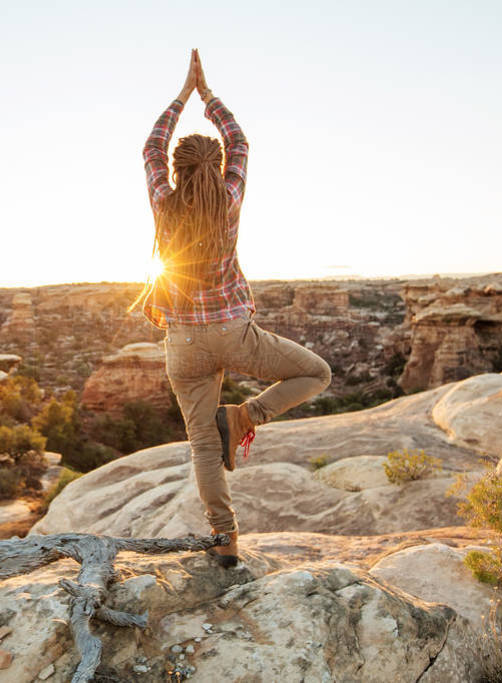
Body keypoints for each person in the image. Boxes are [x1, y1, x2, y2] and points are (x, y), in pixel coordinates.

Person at [131, 49, 331, 565]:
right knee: (317, 373)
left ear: (174, 170)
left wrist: (181, 94)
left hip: (184, 344)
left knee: (202, 446)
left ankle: (225, 540)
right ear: (219, 167)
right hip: (236, 332)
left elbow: (152, 145)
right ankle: (245, 416)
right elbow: (240, 140)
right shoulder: (231, 200)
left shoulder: (163, 203)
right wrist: (209, 95)